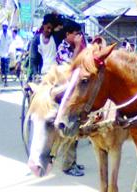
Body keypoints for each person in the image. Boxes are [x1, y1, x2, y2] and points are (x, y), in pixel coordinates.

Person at [56, 20, 85, 177]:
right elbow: (71, 67)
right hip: (65, 92)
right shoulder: (63, 48)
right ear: (68, 34)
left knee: (76, 131)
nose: (78, 36)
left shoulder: (76, 47)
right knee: (70, 128)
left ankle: (73, 161)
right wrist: (77, 48)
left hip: (75, 92)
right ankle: (67, 165)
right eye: (75, 33)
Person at [27, 13, 58, 81]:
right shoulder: (36, 40)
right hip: (42, 74)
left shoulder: (55, 38)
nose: (49, 30)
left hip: (55, 74)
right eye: (48, 27)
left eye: (51, 29)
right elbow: (33, 59)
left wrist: (56, 16)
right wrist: (35, 74)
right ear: (43, 25)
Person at [0, 20, 12, 86]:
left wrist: (9, 51)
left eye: (5, 26)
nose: (4, 27)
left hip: (6, 51)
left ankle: (6, 80)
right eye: (3, 26)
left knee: (5, 66)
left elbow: (10, 43)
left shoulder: (9, 34)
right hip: (0, 50)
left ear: (7, 27)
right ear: (2, 27)